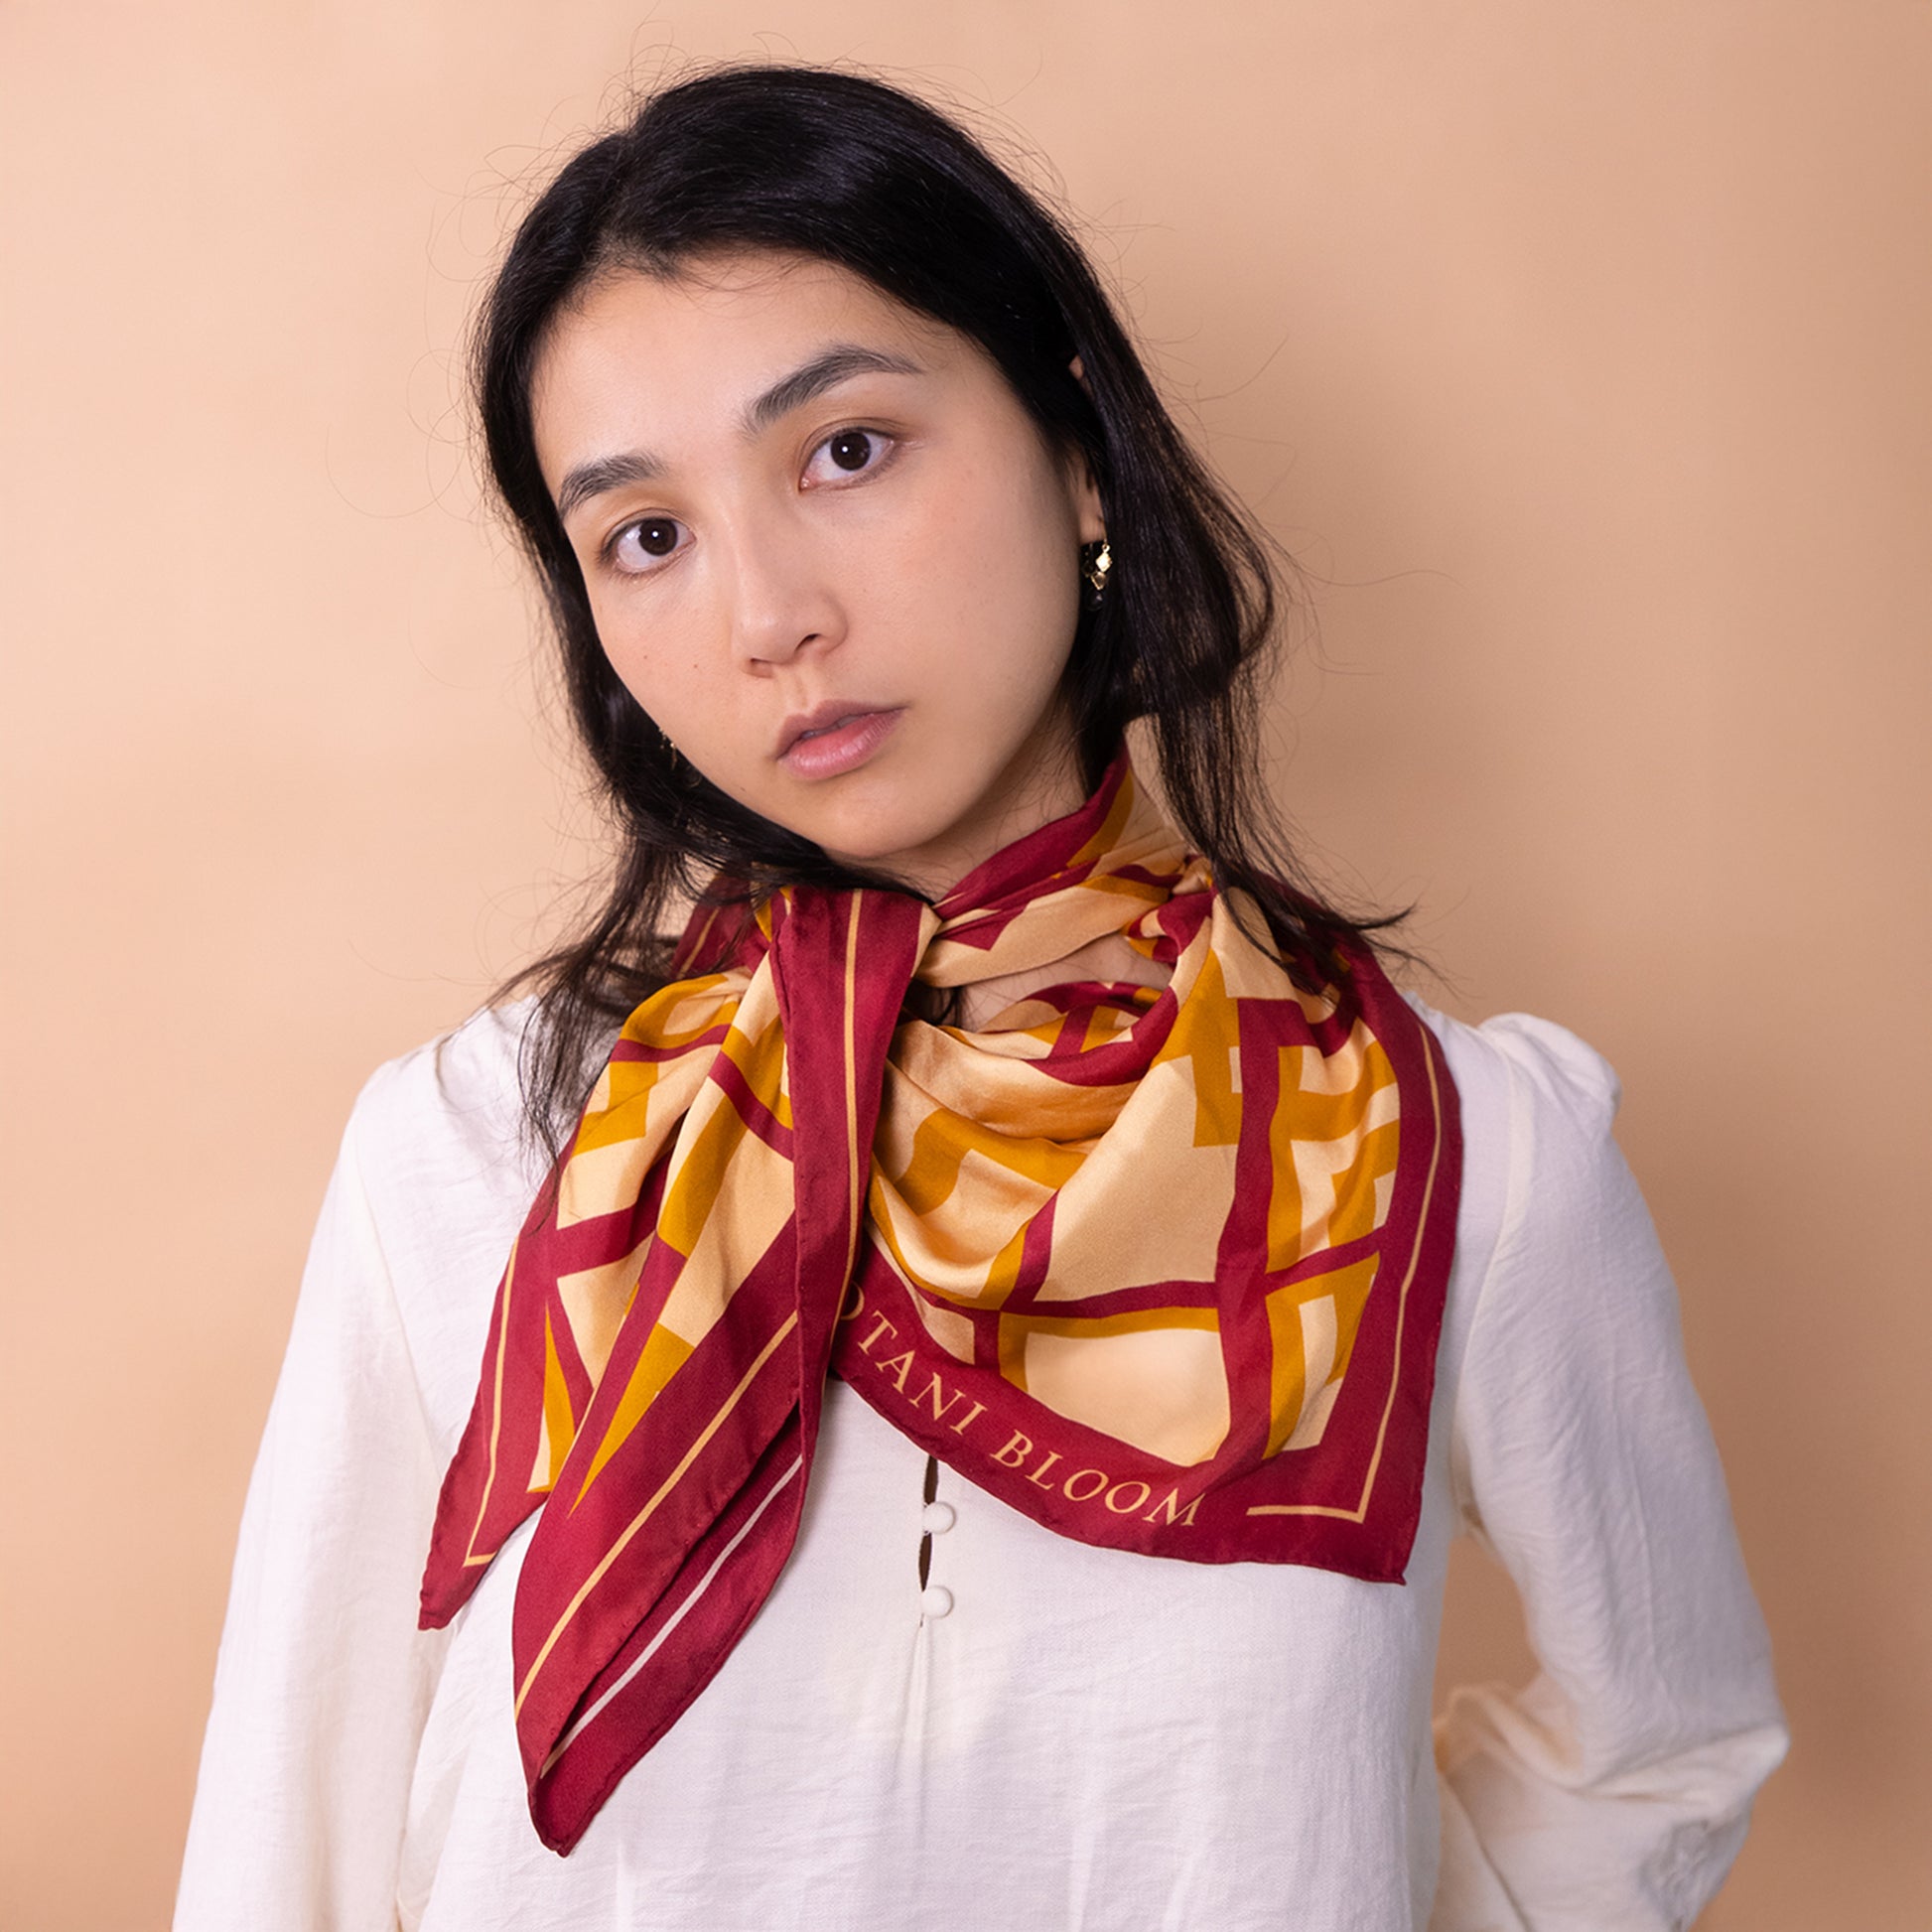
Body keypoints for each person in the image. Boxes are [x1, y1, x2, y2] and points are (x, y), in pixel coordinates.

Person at [175, 63, 1786, 1932]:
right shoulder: (476, 1151)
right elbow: (281, 1850)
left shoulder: (1456, 1153)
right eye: (646, 536)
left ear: (1078, 448)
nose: (766, 615)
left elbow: (1665, 1742)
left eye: (845, 450)